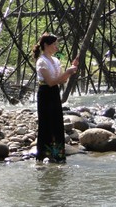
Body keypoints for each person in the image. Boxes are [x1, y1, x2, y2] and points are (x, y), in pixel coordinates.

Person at [33, 33, 78, 163]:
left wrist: (70, 70)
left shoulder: (56, 60)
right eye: (54, 44)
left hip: (54, 93)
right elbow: (51, 81)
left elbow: (61, 81)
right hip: (45, 93)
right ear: (46, 45)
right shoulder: (41, 61)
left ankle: (58, 155)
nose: (56, 47)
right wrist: (68, 72)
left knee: (57, 123)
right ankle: (43, 154)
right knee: (46, 124)